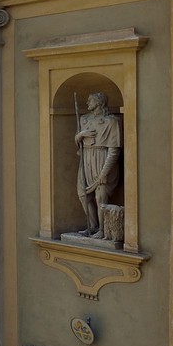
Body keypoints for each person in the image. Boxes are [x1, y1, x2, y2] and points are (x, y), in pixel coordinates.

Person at [74, 92, 122, 238]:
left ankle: (102, 230)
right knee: (82, 193)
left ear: (100, 102)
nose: (88, 102)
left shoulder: (111, 121)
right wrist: (80, 135)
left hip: (102, 159)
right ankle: (93, 226)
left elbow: (114, 150)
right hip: (86, 158)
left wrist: (104, 173)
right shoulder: (84, 119)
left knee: (100, 196)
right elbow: (77, 141)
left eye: (91, 100)